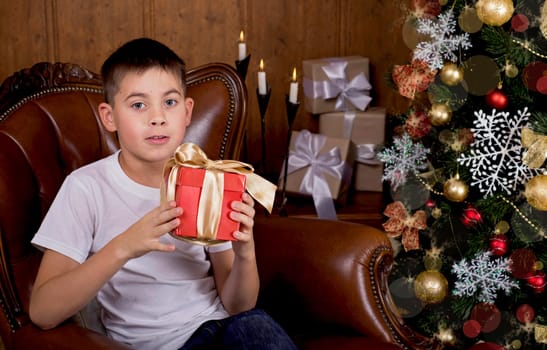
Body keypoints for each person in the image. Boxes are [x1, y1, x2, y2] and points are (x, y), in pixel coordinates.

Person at [29, 37, 298, 350]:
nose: (157, 117)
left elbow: (239, 306)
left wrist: (245, 252)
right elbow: (43, 311)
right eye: (138, 104)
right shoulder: (86, 187)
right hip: (153, 345)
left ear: (187, 112)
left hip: (225, 328)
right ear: (109, 116)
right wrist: (123, 247)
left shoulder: (205, 179)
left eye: (169, 102)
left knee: (257, 327)